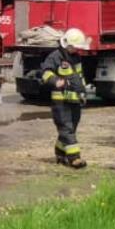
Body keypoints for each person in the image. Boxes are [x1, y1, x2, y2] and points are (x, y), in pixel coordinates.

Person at [37, 28, 90, 169]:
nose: (77, 50)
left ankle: (60, 153)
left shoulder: (76, 57)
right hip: (60, 101)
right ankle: (74, 158)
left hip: (75, 100)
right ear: (68, 45)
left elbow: (79, 77)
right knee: (66, 129)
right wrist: (55, 81)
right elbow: (45, 73)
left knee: (71, 128)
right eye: (75, 47)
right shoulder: (55, 57)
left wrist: (83, 93)